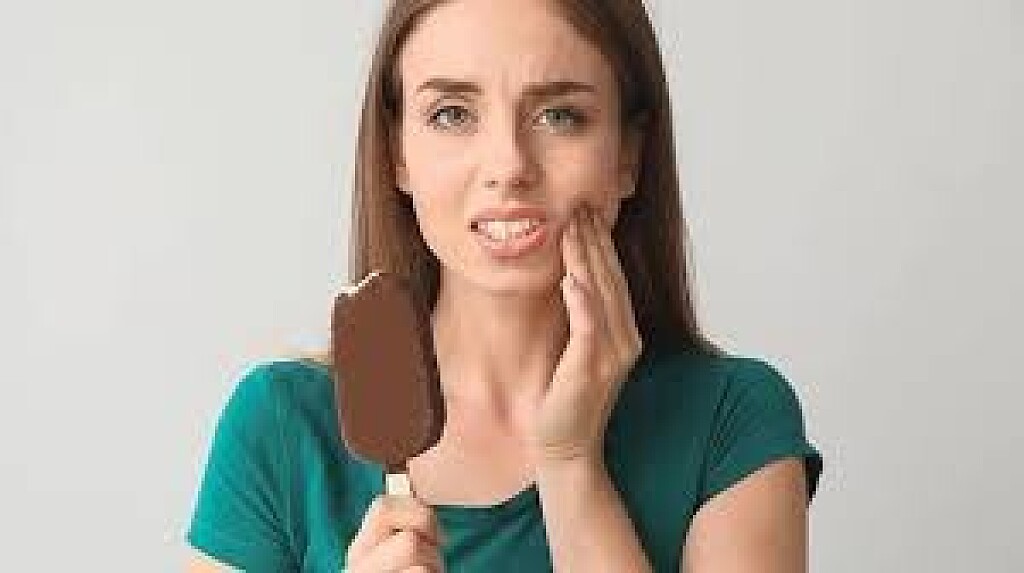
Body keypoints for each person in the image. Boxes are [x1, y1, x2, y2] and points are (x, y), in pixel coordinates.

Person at [185, 0, 824, 570]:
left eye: (559, 115)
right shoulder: (280, 427)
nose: (509, 166)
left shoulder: (732, 421)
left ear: (629, 154)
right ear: (397, 152)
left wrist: (571, 464)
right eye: (452, 114)